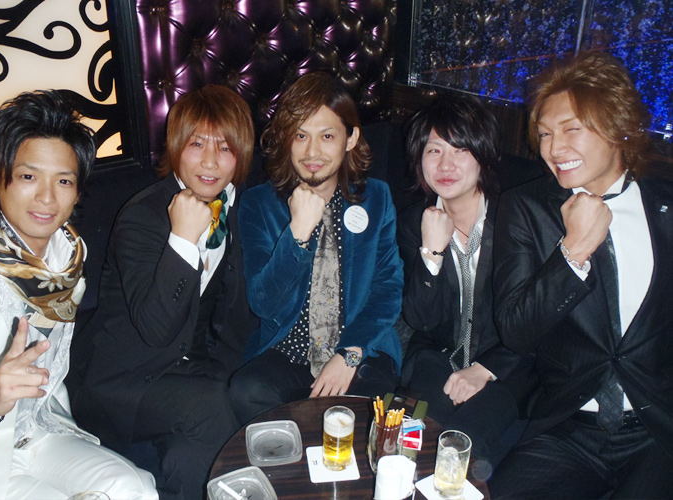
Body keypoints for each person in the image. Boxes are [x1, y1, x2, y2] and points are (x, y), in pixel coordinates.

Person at [489, 51, 673, 498]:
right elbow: (516, 331)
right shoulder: (526, 208)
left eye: (571, 129)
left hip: (657, 431)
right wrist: (571, 253)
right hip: (569, 426)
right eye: (545, 133)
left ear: (618, 127)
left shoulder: (666, 205)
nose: (554, 148)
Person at [70, 85, 257, 500]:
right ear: (175, 146)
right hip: (123, 380)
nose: (211, 161)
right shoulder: (141, 217)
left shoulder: (237, 207)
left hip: (190, 370)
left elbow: (230, 309)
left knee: (195, 452)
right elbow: (156, 329)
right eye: (197, 144)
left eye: (225, 147)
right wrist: (183, 239)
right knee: (208, 407)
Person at [0, 90, 157, 499]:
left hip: (39, 432)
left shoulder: (68, 258)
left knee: (134, 488)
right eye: (28, 177)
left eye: (64, 181)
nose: (47, 197)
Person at [229, 72, 403, 424]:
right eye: (300, 135)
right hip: (289, 349)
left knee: (365, 417)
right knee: (246, 391)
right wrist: (297, 234)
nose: (312, 152)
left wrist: (349, 354)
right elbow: (263, 303)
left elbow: (387, 290)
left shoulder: (375, 198)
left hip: (360, 347)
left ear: (350, 138)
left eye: (327, 136)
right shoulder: (258, 204)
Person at [397, 94, 534, 472]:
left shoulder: (518, 219)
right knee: (406, 443)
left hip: (505, 369)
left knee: (458, 455)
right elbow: (420, 319)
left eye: (460, 150)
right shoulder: (413, 222)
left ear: (483, 156)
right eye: (434, 150)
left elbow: (536, 318)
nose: (445, 165)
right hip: (436, 358)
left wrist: (483, 369)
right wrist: (432, 253)